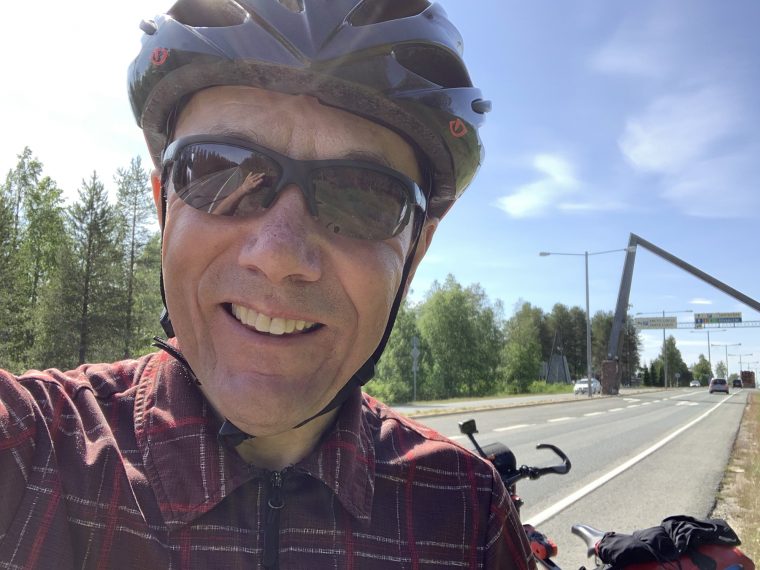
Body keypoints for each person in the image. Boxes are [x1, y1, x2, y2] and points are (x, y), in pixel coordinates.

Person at [0, 0, 533, 568]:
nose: (277, 256)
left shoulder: (466, 509)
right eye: (219, 170)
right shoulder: (29, 454)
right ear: (164, 207)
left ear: (414, 252)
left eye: (363, 195)